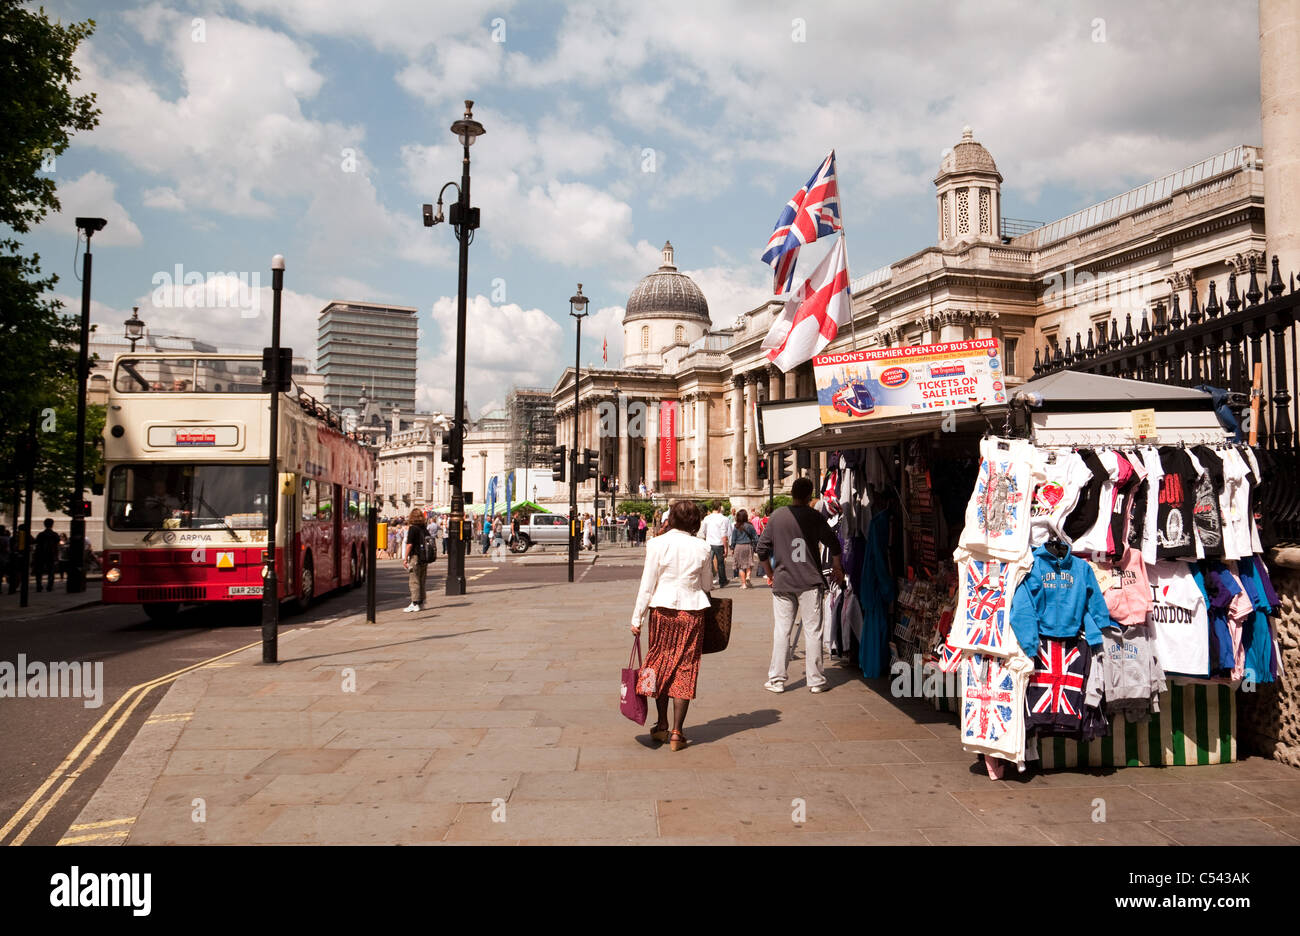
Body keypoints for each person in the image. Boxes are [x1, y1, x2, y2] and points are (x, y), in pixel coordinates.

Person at [630, 499, 713, 751]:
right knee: (685, 668)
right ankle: (678, 732)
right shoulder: (703, 547)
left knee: (660, 664)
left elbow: (647, 584)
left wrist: (637, 618)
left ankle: (662, 723)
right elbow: (707, 585)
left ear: (672, 518)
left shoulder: (656, 544)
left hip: (662, 611)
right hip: (692, 612)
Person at [757, 477, 845, 693]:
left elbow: (761, 550)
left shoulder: (777, 516)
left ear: (792, 493)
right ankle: (815, 681)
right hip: (809, 581)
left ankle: (777, 679)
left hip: (784, 581)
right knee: (813, 631)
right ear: (809, 495)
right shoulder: (814, 516)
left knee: (782, 631)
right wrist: (837, 567)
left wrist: (770, 574)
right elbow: (833, 543)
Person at [402, 508, 430, 612]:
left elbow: (409, 545)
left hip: (415, 556)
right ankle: (422, 602)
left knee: (414, 581)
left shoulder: (413, 528)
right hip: (424, 557)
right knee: (422, 580)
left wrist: (405, 558)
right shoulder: (424, 528)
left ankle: (415, 603)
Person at [700, 504, 730, 587]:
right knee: (720, 564)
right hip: (719, 543)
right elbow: (724, 534)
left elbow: (704, 531)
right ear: (720, 508)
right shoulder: (723, 518)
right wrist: (726, 547)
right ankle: (722, 581)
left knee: (708, 564)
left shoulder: (707, 518)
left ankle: (708, 581)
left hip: (709, 542)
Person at [729, 509, 759, 589]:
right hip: (748, 546)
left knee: (741, 566)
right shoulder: (750, 526)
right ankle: (748, 576)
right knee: (749, 563)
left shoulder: (736, 527)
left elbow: (733, 539)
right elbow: (755, 537)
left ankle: (743, 584)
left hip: (738, 547)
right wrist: (755, 545)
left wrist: (732, 548)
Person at [33, 518, 60, 592]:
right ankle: (49, 586)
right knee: (51, 571)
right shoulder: (55, 535)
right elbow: (57, 545)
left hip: (40, 554)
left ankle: (39, 586)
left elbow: (36, 543)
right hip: (51, 554)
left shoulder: (41, 534)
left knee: (39, 571)